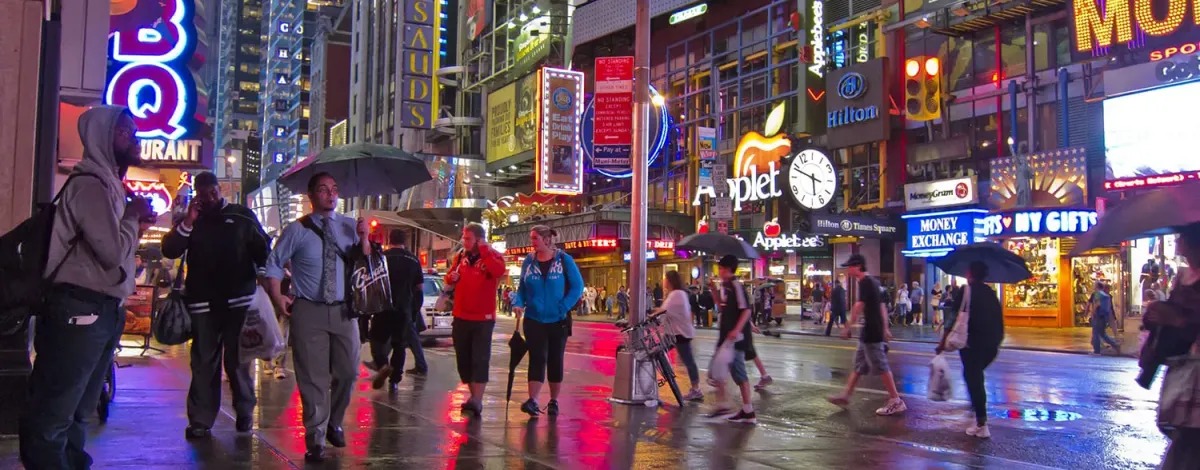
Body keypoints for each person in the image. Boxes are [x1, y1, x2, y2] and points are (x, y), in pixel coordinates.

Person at [19, 106, 156, 469]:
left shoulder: (108, 184)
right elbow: (111, 253)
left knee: (79, 411)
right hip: (79, 310)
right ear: (101, 136)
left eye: (133, 130)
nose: (134, 137)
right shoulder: (90, 186)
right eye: (124, 131)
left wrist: (132, 223)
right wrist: (131, 216)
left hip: (102, 310)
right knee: (55, 412)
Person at [264, 172, 370, 463]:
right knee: (314, 377)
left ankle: (334, 420)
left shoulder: (350, 227)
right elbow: (273, 265)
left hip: (344, 311)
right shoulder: (296, 230)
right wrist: (278, 296)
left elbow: (367, 264)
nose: (331, 194)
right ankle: (315, 437)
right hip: (308, 309)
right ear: (311, 195)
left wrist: (364, 238)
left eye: (334, 189)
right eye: (323, 190)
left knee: (348, 372)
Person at [161, 171, 270, 439]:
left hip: (239, 302)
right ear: (197, 195)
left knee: (238, 361)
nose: (209, 198)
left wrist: (267, 277)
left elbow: (263, 249)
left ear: (220, 190)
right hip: (202, 303)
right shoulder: (191, 220)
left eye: (213, 192)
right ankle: (200, 419)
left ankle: (244, 410)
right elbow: (170, 249)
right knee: (203, 363)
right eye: (204, 194)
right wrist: (188, 221)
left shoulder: (242, 216)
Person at [1142, 223, 1200, 468]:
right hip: (1185, 370)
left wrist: (1178, 319)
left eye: (1180, 238)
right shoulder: (1184, 277)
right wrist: (1157, 315)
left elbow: (1184, 319)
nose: (1177, 243)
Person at [512, 225, 584, 417]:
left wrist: (564, 306)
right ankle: (533, 401)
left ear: (546, 240)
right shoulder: (529, 261)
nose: (531, 242)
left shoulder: (564, 260)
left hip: (558, 320)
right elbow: (522, 289)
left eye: (535, 238)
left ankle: (554, 400)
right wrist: (518, 303)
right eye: (531, 238)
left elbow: (577, 286)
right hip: (534, 318)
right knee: (537, 358)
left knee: (555, 359)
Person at [827, 254, 907, 416]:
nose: (848, 269)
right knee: (859, 366)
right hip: (869, 330)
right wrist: (885, 328)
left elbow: (858, 306)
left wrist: (847, 327)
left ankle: (896, 400)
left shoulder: (865, 282)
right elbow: (882, 306)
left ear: (858, 266)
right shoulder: (874, 283)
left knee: (881, 366)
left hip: (872, 331)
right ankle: (846, 396)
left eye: (850, 266)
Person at [937, 261, 1004, 439]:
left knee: (974, 379)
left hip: (971, 343)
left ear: (970, 274)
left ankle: (981, 423)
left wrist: (943, 341)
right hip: (991, 344)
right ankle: (977, 409)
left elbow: (952, 318)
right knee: (973, 377)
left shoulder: (965, 291)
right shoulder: (991, 293)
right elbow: (999, 319)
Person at [445, 223, 506, 417]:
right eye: (464, 237)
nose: (464, 241)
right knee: (463, 359)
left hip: (483, 318)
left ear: (479, 239)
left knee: (480, 359)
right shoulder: (461, 256)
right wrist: (451, 278)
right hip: (461, 315)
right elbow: (449, 277)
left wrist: (485, 251)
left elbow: (498, 271)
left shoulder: (493, 256)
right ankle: (473, 397)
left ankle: (477, 400)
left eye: (468, 238)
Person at [365, 229, 427, 391]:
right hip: (404, 309)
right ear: (405, 241)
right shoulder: (413, 260)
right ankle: (395, 380)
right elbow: (419, 287)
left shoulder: (382, 258)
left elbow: (371, 282)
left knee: (376, 341)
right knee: (400, 345)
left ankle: (382, 364)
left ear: (389, 238)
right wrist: (414, 309)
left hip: (383, 308)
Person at [705, 255, 758, 424]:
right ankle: (727, 406)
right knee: (718, 371)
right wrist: (713, 290)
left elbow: (746, 310)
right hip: (726, 337)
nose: (719, 271)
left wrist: (736, 330)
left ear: (728, 269)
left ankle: (745, 410)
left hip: (735, 339)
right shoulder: (725, 286)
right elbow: (721, 307)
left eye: (720, 268)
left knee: (737, 373)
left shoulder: (736, 286)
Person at [652, 271, 703, 401]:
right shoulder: (678, 293)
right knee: (659, 353)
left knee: (660, 353)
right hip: (675, 332)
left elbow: (665, 309)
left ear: (670, 280)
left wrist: (652, 315)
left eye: (665, 279)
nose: (664, 281)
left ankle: (696, 389)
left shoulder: (676, 294)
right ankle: (667, 377)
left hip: (679, 333)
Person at [1089, 280, 1121, 354]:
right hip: (1104, 316)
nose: (1093, 285)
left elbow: (1097, 304)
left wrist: (1093, 312)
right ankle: (1115, 345)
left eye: (1094, 284)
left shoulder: (1097, 293)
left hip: (1098, 315)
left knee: (1096, 333)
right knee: (1102, 333)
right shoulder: (1106, 295)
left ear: (1097, 286)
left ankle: (1096, 351)